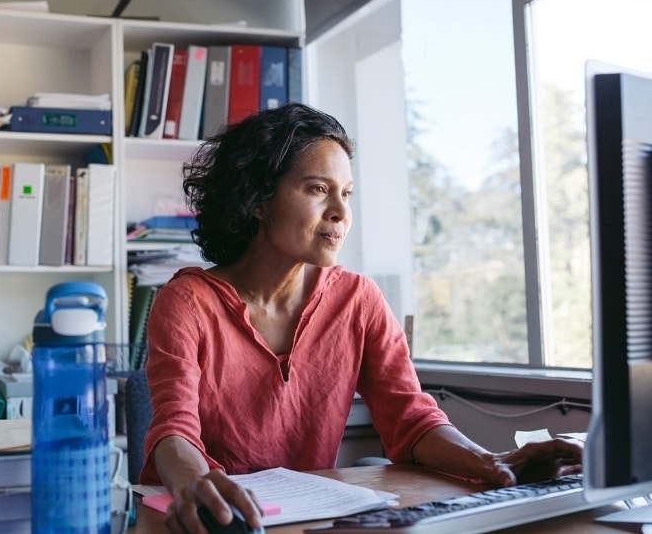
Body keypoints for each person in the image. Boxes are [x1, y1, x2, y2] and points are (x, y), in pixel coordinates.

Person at [139, 103, 582, 533]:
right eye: (317, 189)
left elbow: (410, 420)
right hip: (203, 522)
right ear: (259, 200)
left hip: (302, 524)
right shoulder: (187, 302)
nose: (340, 212)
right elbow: (174, 429)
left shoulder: (358, 299)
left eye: (346, 193)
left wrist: (491, 462)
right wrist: (195, 484)